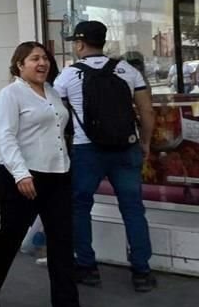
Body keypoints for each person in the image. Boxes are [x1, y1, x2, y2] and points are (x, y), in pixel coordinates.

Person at [0, 42, 103, 307]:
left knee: (62, 240)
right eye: (34, 58)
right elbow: (6, 137)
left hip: (57, 175)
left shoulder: (52, 93)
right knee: (12, 233)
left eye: (45, 58)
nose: (42, 63)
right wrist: (21, 174)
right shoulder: (10, 95)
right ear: (19, 65)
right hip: (21, 176)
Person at [53, 20, 156, 292]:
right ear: (104, 41)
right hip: (126, 148)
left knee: (79, 207)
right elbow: (147, 112)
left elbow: (55, 117)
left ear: (79, 43)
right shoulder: (127, 70)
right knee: (133, 208)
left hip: (87, 150)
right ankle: (142, 272)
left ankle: (87, 267)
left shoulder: (68, 76)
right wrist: (144, 142)